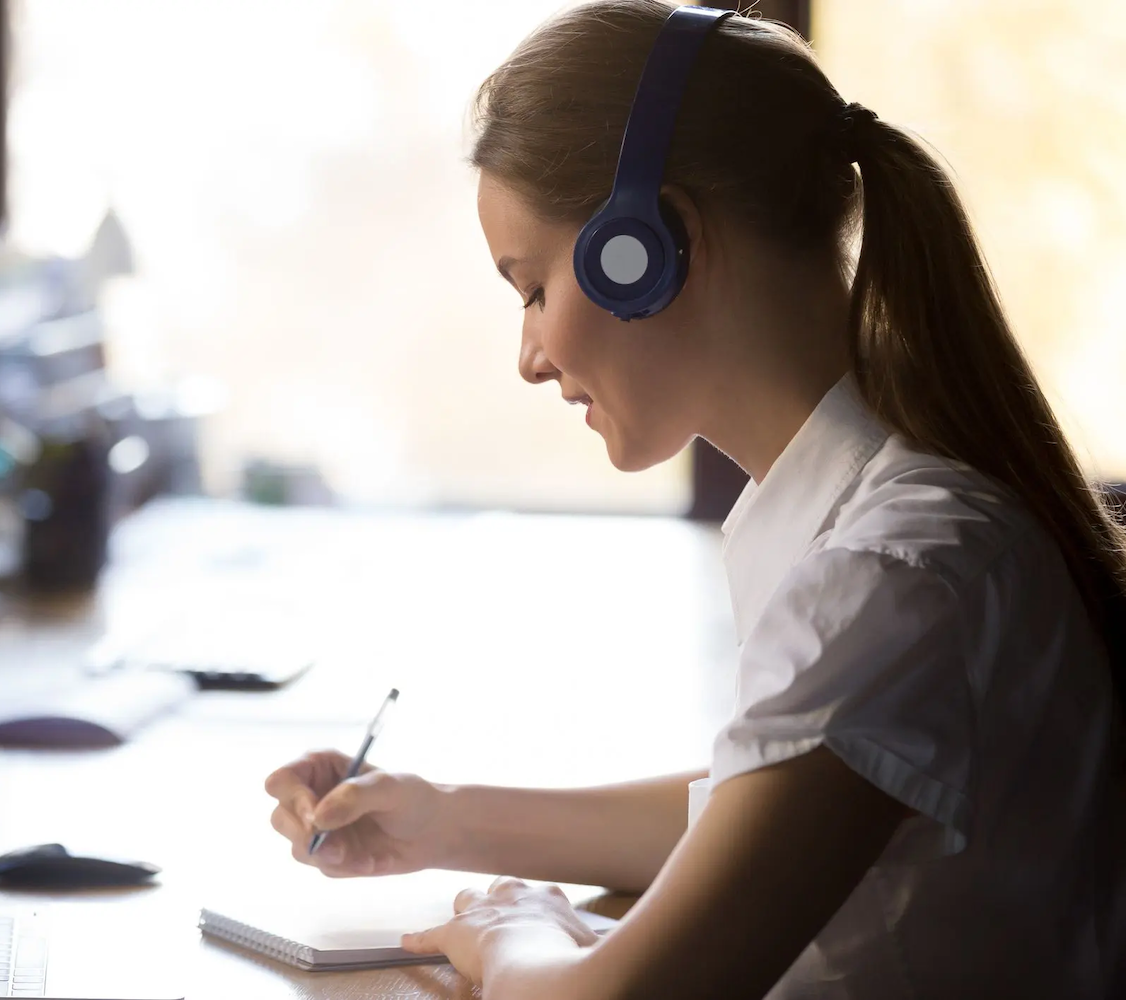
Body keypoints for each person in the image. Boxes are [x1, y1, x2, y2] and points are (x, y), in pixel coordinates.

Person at [263, 3, 1126, 998]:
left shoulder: (895, 574)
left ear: (649, 243)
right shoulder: (852, 518)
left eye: (534, 288)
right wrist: (441, 815)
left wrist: (516, 927)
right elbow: (759, 811)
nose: (530, 357)